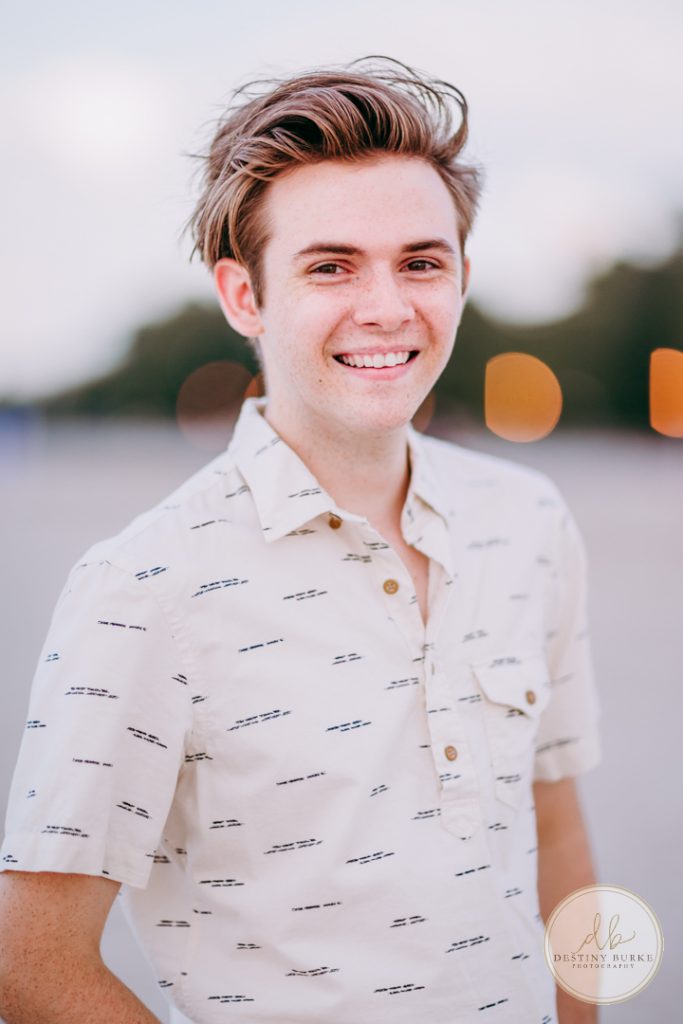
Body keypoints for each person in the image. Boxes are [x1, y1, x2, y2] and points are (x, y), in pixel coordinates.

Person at [0, 56, 602, 1024]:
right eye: (329, 266)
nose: (385, 307)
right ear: (244, 296)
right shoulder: (146, 582)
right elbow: (28, 964)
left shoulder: (527, 520)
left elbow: (558, 835)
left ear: (460, 275)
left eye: (420, 260)